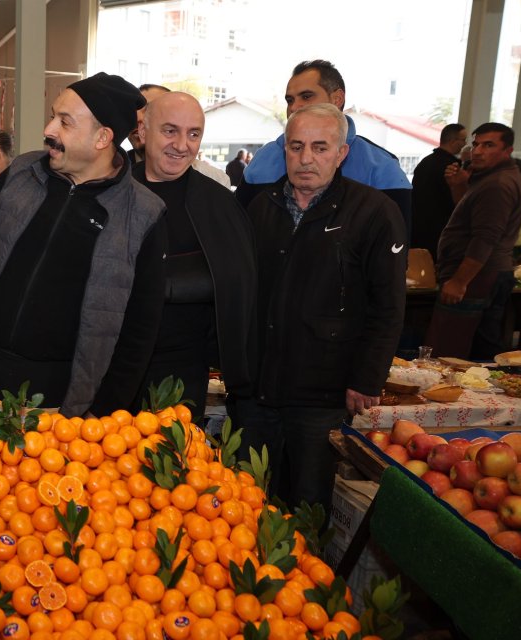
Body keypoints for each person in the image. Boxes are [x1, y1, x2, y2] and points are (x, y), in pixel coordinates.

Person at [0, 71, 167, 451]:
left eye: (64, 121)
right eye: (53, 116)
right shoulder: (21, 175)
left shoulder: (143, 215)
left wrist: (104, 411)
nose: (49, 129)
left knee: (36, 508)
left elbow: (141, 330)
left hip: (61, 414)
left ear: (102, 137)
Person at [240, 103, 406, 509]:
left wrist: (368, 378)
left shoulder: (374, 212)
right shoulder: (262, 207)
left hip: (324, 391)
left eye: (320, 147)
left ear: (341, 153)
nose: (306, 158)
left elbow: (389, 305)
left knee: (310, 505)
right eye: (296, 147)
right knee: (247, 500)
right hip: (259, 389)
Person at [133, 92, 255, 417]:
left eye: (193, 134)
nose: (182, 144)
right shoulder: (111, 194)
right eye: (170, 130)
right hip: (109, 363)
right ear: (143, 132)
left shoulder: (220, 205)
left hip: (183, 370)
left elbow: (240, 291)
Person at [236, 60, 412, 232]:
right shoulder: (262, 160)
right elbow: (237, 233)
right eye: (290, 100)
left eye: (306, 96)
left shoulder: (382, 167)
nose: (294, 107)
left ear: (337, 98)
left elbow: (397, 247)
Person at [426, 122, 521, 360]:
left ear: (507, 151)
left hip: (478, 275)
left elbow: (485, 238)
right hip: (483, 273)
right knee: (474, 345)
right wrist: (459, 186)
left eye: (489, 145)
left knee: (452, 350)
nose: (478, 151)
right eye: (476, 144)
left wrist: (460, 281)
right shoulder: (489, 178)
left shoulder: (498, 184)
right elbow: (469, 218)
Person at [128, 84, 231, 188]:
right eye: (133, 110)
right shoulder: (115, 178)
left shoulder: (216, 183)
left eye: (149, 109)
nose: (139, 117)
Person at [410, 123, 467, 256]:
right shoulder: (453, 167)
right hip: (441, 228)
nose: (464, 144)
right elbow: (455, 201)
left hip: (418, 225)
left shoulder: (425, 162)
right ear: (453, 141)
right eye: (463, 140)